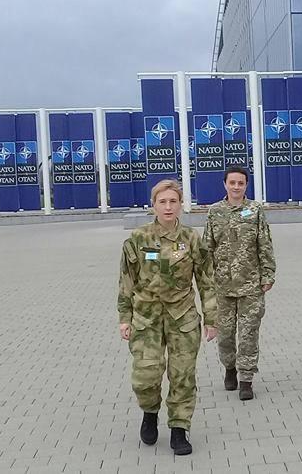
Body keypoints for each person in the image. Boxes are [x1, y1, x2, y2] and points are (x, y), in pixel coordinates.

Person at [117, 179, 217, 455]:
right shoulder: (138, 238)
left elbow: (206, 280)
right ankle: (150, 412)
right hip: (146, 319)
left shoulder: (191, 239)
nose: (168, 207)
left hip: (182, 318)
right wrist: (125, 317)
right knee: (145, 376)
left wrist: (211, 318)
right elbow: (126, 280)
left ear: (181, 205)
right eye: (162, 202)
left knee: (182, 375)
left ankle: (179, 429)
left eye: (173, 201)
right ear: (153, 206)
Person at [203, 166, 276, 401]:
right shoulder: (215, 212)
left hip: (250, 284)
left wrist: (268, 274)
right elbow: (207, 247)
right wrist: (206, 279)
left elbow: (264, 243)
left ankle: (246, 378)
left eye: (241, 183)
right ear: (225, 184)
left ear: (246, 185)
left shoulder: (255, 210)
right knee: (225, 335)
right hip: (223, 286)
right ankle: (230, 367)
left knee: (248, 334)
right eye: (232, 182)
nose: (236, 187)